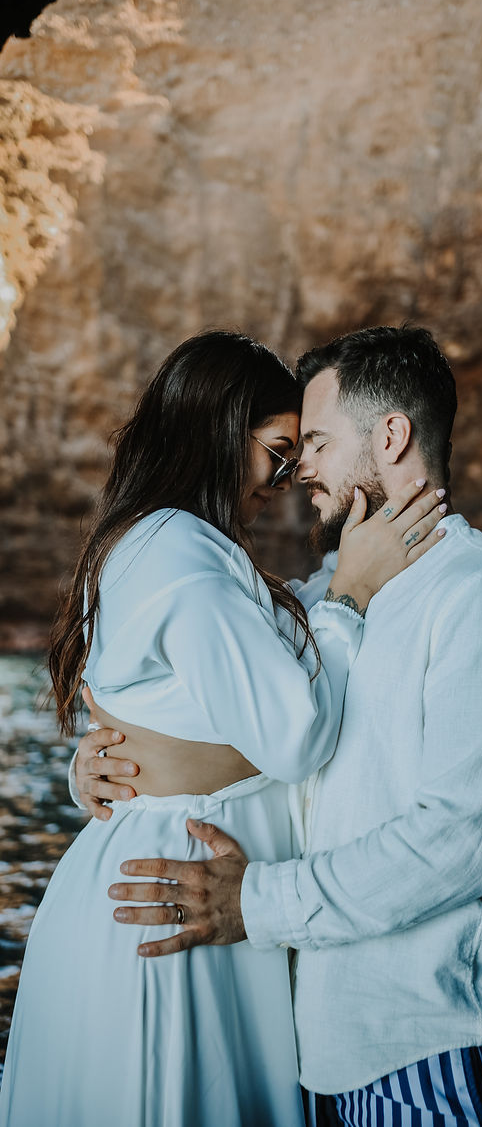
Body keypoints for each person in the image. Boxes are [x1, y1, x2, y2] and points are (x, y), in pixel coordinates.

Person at [99, 326, 482, 1126]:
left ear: (391, 436)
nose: (296, 468)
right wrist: (100, 760)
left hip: (435, 1045)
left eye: (315, 442)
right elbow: (208, 707)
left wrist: (257, 903)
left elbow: (457, 843)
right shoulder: (326, 600)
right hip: (320, 1052)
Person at [0, 329, 445, 1127]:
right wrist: (349, 596)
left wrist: (91, 767)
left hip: (174, 883)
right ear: (219, 430)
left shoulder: (160, 540)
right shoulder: (180, 551)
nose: (285, 478)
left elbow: (165, 701)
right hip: (171, 897)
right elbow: (295, 737)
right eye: (278, 451)